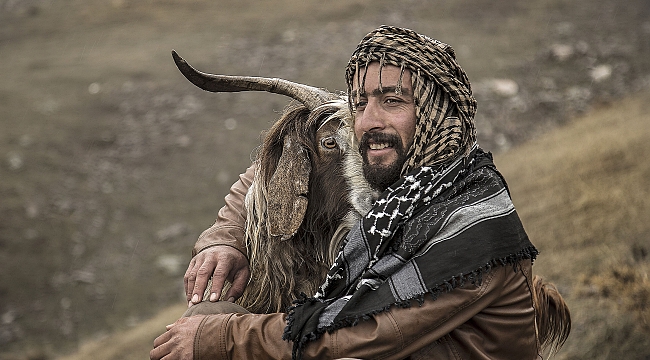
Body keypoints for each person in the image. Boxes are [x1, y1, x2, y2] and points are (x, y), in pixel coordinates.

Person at [151, 25, 542, 360]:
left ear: (434, 110)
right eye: (359, 103)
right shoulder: (407, 185)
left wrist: (222, 337)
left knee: (213, 329)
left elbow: (366, 333)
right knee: (210, 313)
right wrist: (227, 241)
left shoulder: (468, 222)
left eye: (392, 100)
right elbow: (267, 175)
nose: (369, 120)